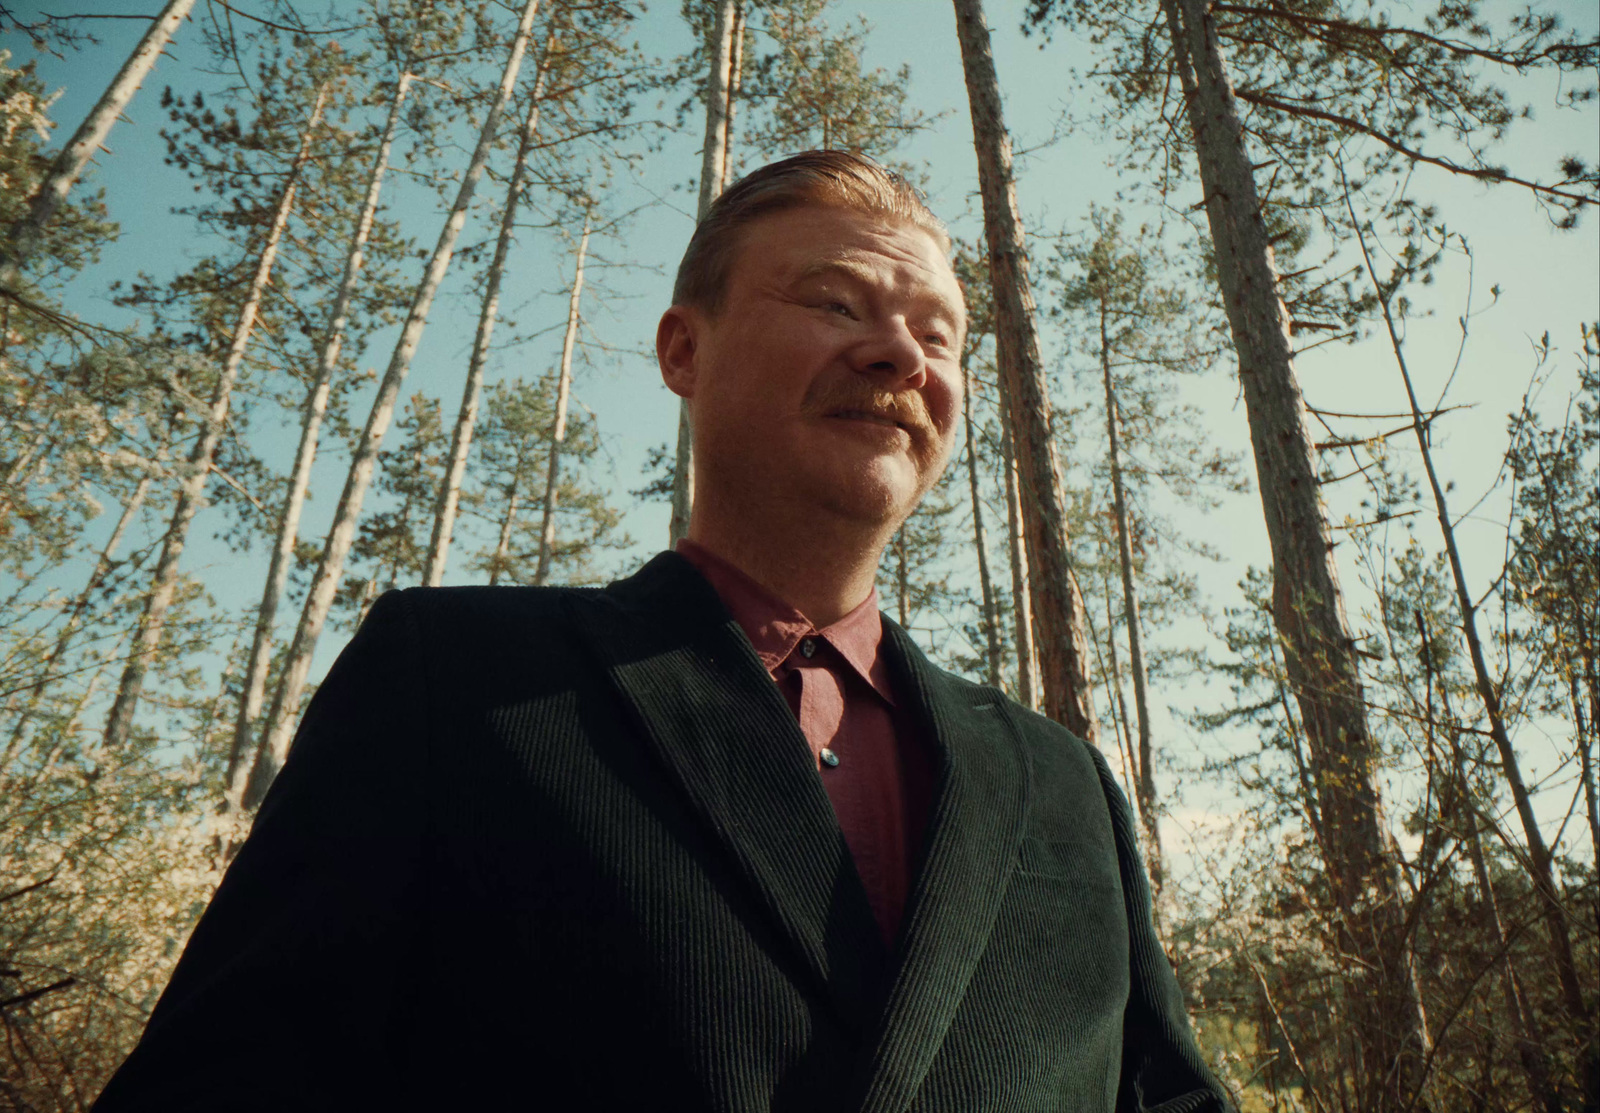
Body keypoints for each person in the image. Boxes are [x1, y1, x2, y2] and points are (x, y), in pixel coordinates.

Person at [94, 151, 1232, 1112]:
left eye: (938, 334)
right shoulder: (455, 681)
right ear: (682, 352)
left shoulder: (1065, 784)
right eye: (838, 303)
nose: (901, 355)